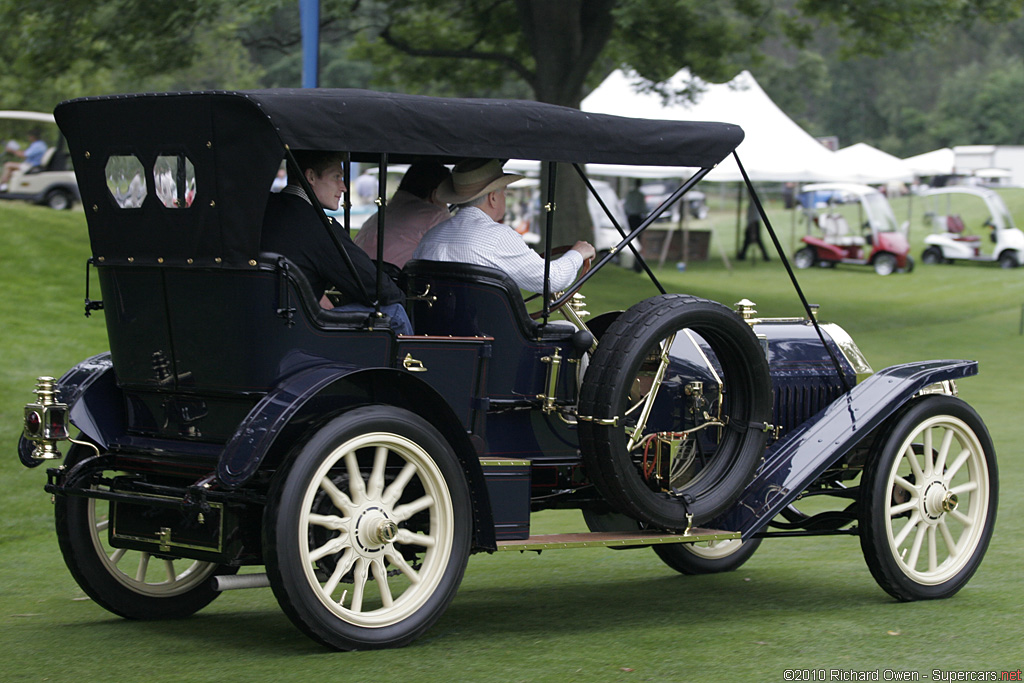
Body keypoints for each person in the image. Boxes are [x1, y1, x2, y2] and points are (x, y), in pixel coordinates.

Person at [261, 150, 413, 335]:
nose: (344, 187)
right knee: (394, 311)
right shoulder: (318, 227)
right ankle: (407, 363)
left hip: (260, 318)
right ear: (310, 177)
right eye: (336, 177)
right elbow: (374, 287)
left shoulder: (266, 208)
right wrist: (402, 297)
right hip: (295, 328)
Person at [412, 159, 595, 293]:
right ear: (493, 198)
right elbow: (551, 280)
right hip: (486, 334)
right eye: (504, 194)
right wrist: (578, 252)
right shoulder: (498, 237)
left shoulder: (431, 236)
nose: (505, 199)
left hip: (433, 331)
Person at [353, 160, 451, 267]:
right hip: (395, 281)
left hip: (360, 276)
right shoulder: (436, 215)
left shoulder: (382, 214)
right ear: (436, 194)